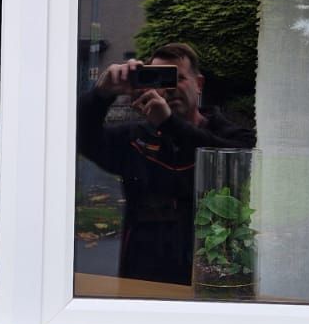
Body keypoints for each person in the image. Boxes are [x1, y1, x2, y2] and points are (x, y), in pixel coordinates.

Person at [76, 42, 255, 285]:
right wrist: (100, 95)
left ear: (199, 84)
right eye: (161, 79)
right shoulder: (135, 139)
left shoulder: (229, 134)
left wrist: (170, 124)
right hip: (143, 276)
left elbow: (237, 159)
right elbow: (81, 137)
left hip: (213, 270)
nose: (169, 89)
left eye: (178, 78)